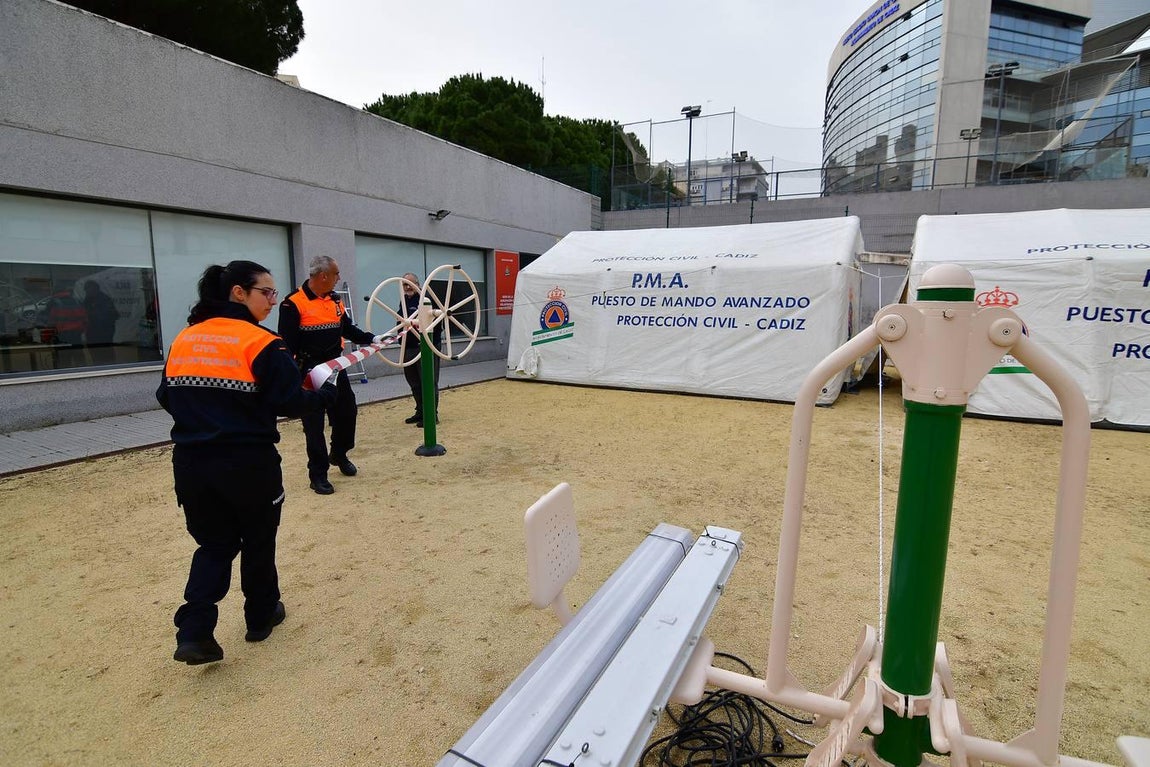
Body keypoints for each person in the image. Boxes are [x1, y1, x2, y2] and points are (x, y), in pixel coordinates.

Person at [157, 260, 337, 666]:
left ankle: (195, 630)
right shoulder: (262, 342)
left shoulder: (184, 340)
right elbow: (291, 401)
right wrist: (324, 398)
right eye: (267, 292)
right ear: (238, 293)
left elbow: (166, 396)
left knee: (214, 544)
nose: (274, 301)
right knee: (258, 540)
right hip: (248, 463)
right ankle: (260, 616)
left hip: (191, 465)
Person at [279, 256, 382, 495]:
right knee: (314, 426)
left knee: (347, 413)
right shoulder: (292, 304)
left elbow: (346, 328)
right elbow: (287, 345)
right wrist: (293, 378)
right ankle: (318, 474)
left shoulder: (335, 300)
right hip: (310, 372)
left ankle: (339, 453)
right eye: (336, 274)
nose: (338, 279)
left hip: (336, 367)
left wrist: (371, 338)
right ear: (323, 276)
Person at [399, 272, 442, 428]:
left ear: (418, 284)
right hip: (408, 346)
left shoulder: (427, 300)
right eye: (404, 284)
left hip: (426, 346)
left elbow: (436, 322)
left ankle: (431, 415)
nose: (407, 287)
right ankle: (420, 411)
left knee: (428, 381)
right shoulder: (404, 300)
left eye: (410, 283)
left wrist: (415, 324)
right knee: (414, 382)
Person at [82, 280, 119, 364]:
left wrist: (93, 315)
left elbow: (113, 315)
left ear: (95, 289)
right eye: (86, 289)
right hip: (92, 332)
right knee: (95, 353)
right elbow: (84, 312)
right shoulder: (87, 300)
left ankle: (110, 367)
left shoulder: (104, 299)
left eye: (88, 289)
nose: (87, 291)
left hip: (104, 332)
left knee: (106, 353)